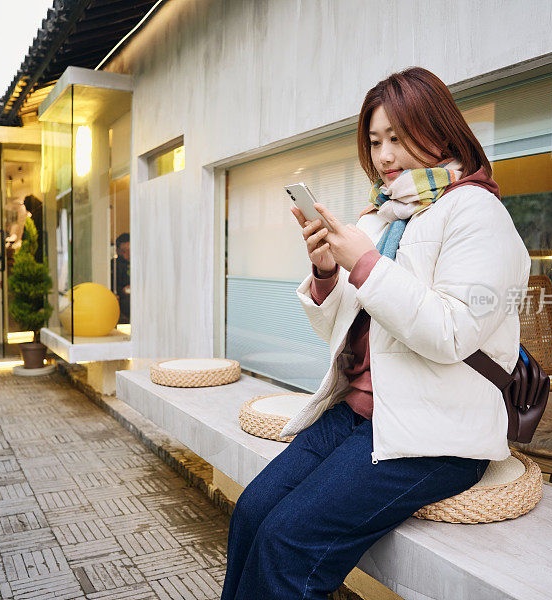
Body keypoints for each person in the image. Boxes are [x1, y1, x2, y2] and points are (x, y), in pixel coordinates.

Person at [220, 67, 530, 600]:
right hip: (363, 414)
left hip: (435, 431)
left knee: (287, 544)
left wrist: (363, 263)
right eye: (375, 141)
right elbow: (338, 330)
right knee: (251, 513)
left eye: (398, 138)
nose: (385, 157)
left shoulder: (479, 214)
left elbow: (451, 333)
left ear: (440, 132)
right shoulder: (385, 217)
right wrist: (324, 273)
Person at [112, 233, 131, 323]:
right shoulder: (114, 265)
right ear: (117, 251)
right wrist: (122, 291)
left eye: (130, 250)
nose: (128, 254)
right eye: (124, 251)